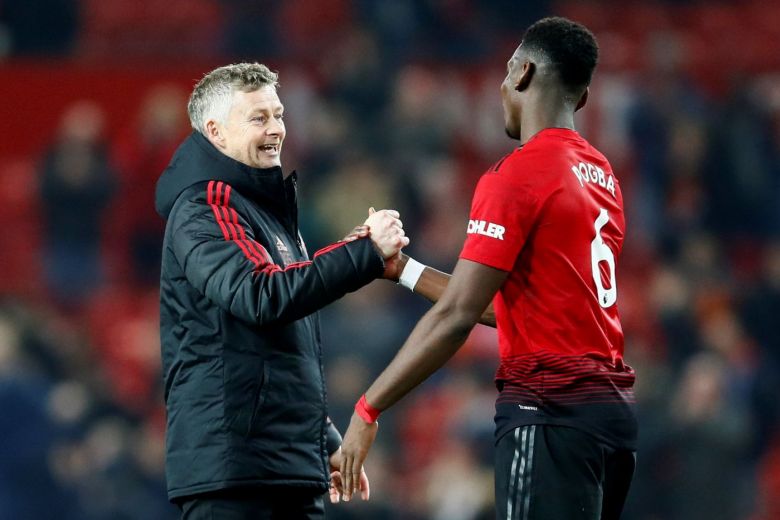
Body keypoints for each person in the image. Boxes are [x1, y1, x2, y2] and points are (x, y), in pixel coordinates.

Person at [340, 17, 637, 520]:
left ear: (522, 73)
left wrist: (367, 409)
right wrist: (404, 270)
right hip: (611, 418)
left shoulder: (517, 175)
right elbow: (512, 309)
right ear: (583, 98)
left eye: (505, 72)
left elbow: (457, 315)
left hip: (548, 412)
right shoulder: (601, 176)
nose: (501, 87)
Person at [154, 62, 408, 519]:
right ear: (215, 131)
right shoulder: (204, 205)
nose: (276, 129)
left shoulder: (261, 212)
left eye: (279, 115)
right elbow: (261, 296)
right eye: (258, 118)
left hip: (283, 466)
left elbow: (278, 348)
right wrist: (365, 253)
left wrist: (322, 440)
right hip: (236, 474)